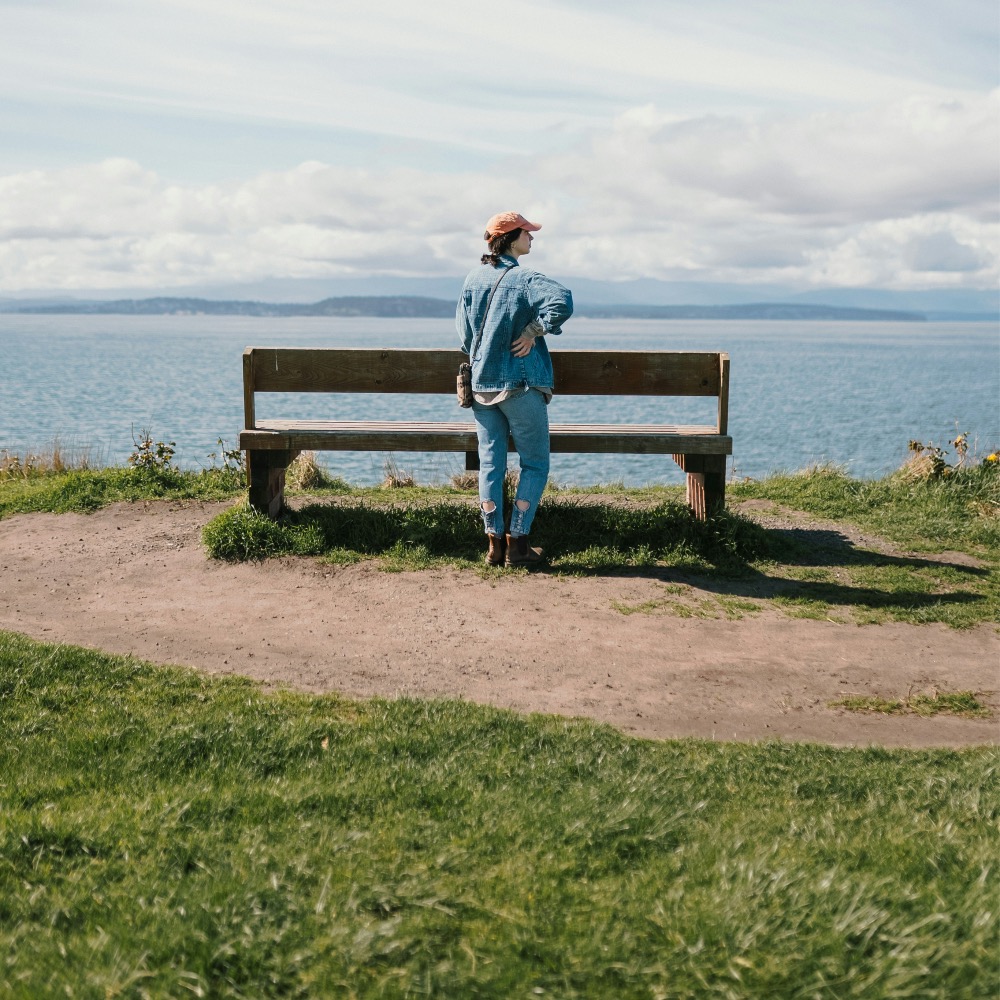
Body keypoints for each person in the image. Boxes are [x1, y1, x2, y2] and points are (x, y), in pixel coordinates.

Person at [456, 211, 573, 567]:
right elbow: (562, 300)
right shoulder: (524, 278)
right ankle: (519, 544)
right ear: (509, 238)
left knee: (490, 463)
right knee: (535, 463)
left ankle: (494, 544)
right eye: (527, 233)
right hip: (520, 386)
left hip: (481, 388)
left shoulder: (472, 278)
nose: (533, 238)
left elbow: (464, 335)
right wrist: (532, 331)